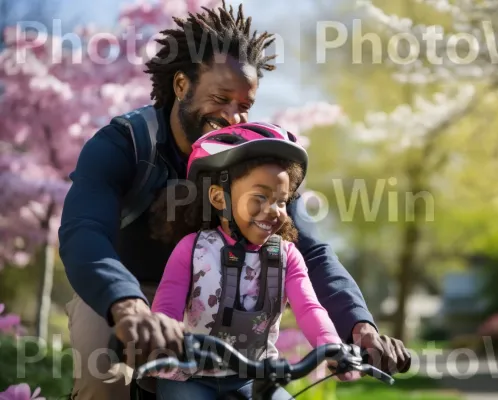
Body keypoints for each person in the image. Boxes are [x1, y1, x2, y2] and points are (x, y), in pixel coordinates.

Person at [58, 2, 410, 399]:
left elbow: (312, 253)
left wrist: (359, 326)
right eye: (221, 98)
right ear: (180, 86)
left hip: (221, 304)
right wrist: (126, 304)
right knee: (103, 381)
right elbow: (83, 231)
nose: (232, 117)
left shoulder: (253, 157)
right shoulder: (124, 144)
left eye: (244, 106)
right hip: (125, 290)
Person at [147, 122, 360, 399]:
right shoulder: (193, 250)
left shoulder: (286, 256)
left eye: (282, 201)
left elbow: (309, 308)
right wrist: (161, 341)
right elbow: (167, 307)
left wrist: (332, 346)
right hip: (190, 377)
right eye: (260, 197)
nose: (274, 211)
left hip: (254, 378)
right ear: (218, 197)